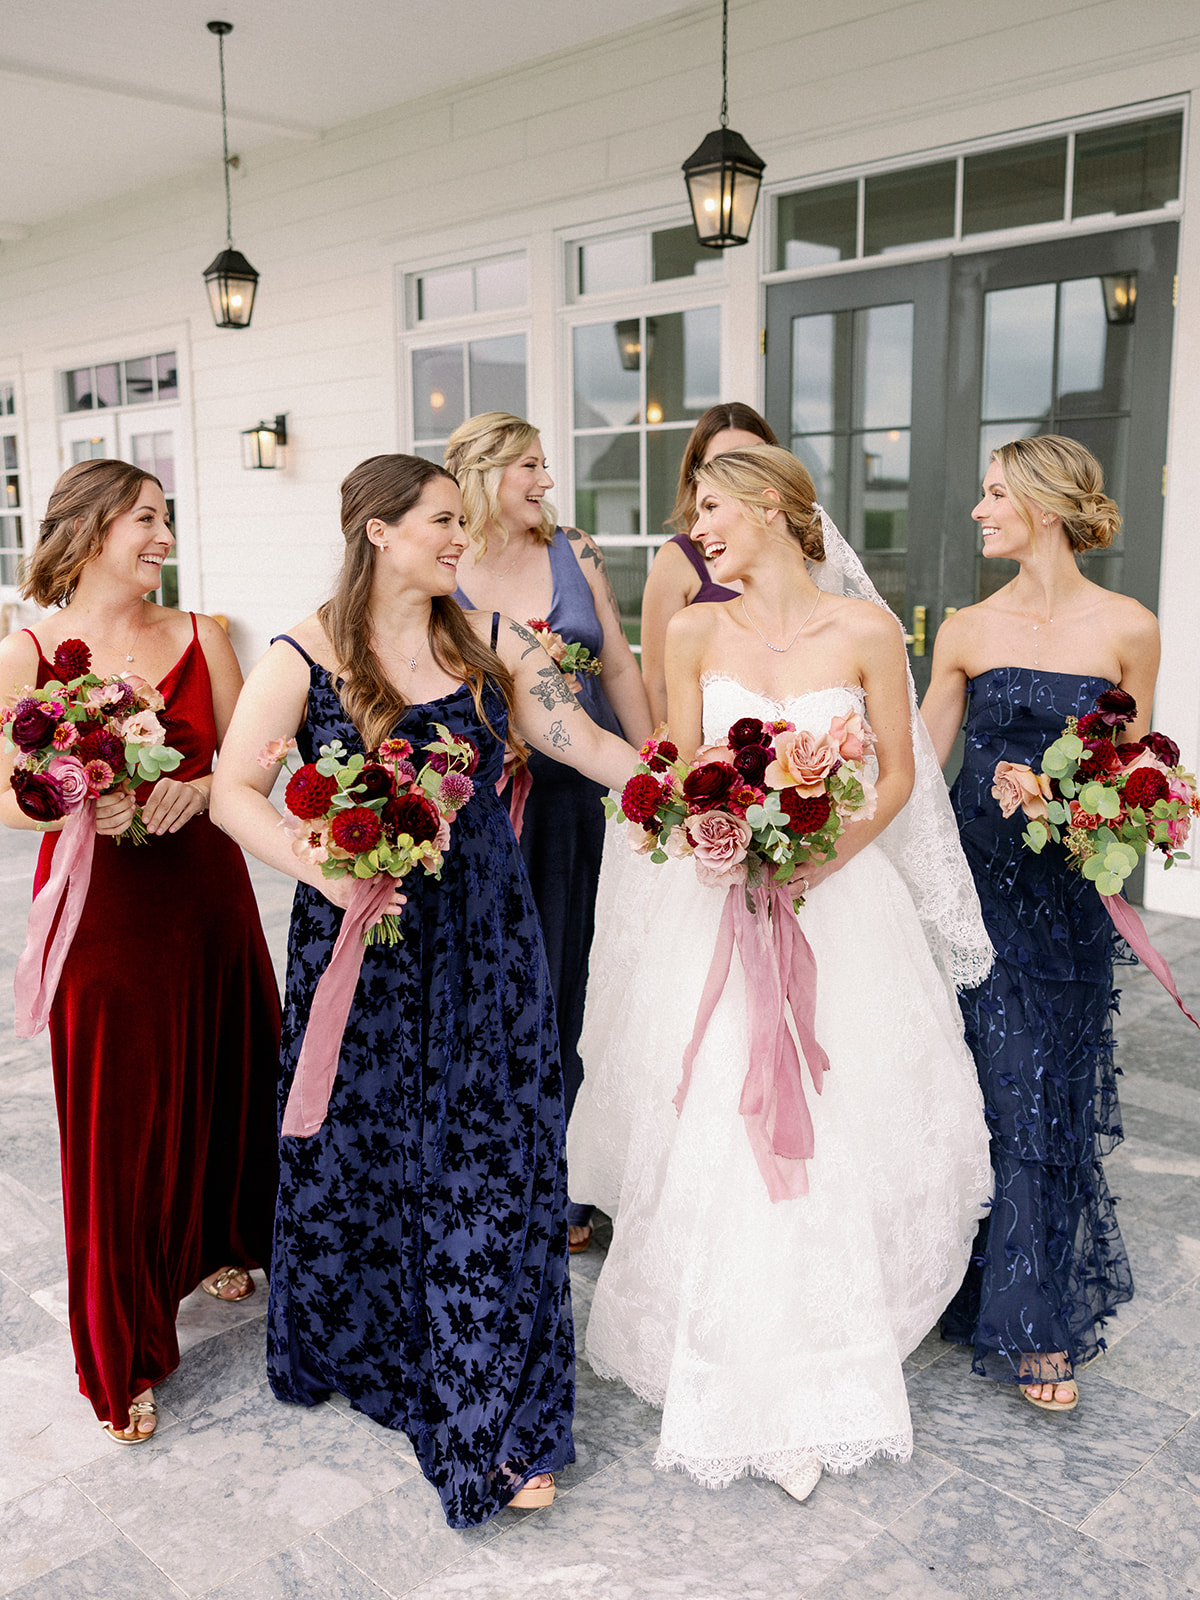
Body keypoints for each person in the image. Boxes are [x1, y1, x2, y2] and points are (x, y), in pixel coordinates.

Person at [210, 454, 638, 1527]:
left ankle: (500, 1413)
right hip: (362, 941)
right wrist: (323, 865)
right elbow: (230, 789)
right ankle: (373, 1340)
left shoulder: (490, 637)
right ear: (377, 531)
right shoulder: (304, 654)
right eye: (442, 520)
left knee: (491, 1153)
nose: (461, 537)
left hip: (486, 939)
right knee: (366, 1146)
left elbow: (579, 738)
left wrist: (691, 789)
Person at [568, 445, 992, 1501]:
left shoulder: (865, 630)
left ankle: (822, 1348)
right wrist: (716, 834)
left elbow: (896, 774)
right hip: (714, 910)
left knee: (837, 1113)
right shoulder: (691, 628)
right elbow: (676, 766)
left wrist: (822, 853)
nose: (696, 527)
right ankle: (724, 1345)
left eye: (711, 507)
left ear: (770, 508)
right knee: (720, 1114)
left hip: (838, 904)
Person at [0, 459, 280, 1444]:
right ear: (86, 532)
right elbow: (3, 791)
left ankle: (226, 1240)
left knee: (229, 1075)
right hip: (104, 913)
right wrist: (78, 791)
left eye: (166, 518)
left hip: (208, 900)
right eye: (145, 520)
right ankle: (121, 1351)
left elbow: (251, 771)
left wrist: (200, 790)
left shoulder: (208, 636)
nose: (163, 537)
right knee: (118, 1120)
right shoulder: (28, 652)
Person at [922, 435, 1158, 1411]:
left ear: (1044, 506)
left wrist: (1064, 807)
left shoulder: (1129, 628)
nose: (978, 510)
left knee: (1046, 1104)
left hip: (1063, 902)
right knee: (995, 1097)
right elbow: (918, 778)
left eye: (992, 493)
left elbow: (1135, 784)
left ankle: (1029, 1312)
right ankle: (1005, 1308)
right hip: (976, 894)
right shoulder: (965, 629)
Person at [445, 412, 652, 1253]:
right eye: (528, 466)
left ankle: (572, 1176)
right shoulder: (443, 565)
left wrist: (654, 773)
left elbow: (620, 665)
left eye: (544, 464)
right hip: (487, 806)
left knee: (581, 981)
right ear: (482, 474)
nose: (545, 481)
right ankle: (498, 1158)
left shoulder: (577, 551)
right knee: (495, 986)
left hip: (584, 802)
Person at [640, 403, 779, 725]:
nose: (738, 475)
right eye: (722, 464)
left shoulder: (806, 557)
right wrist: (668, 765)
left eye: (751, 459)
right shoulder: (679, 560)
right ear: (697, 475)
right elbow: (657, 684)